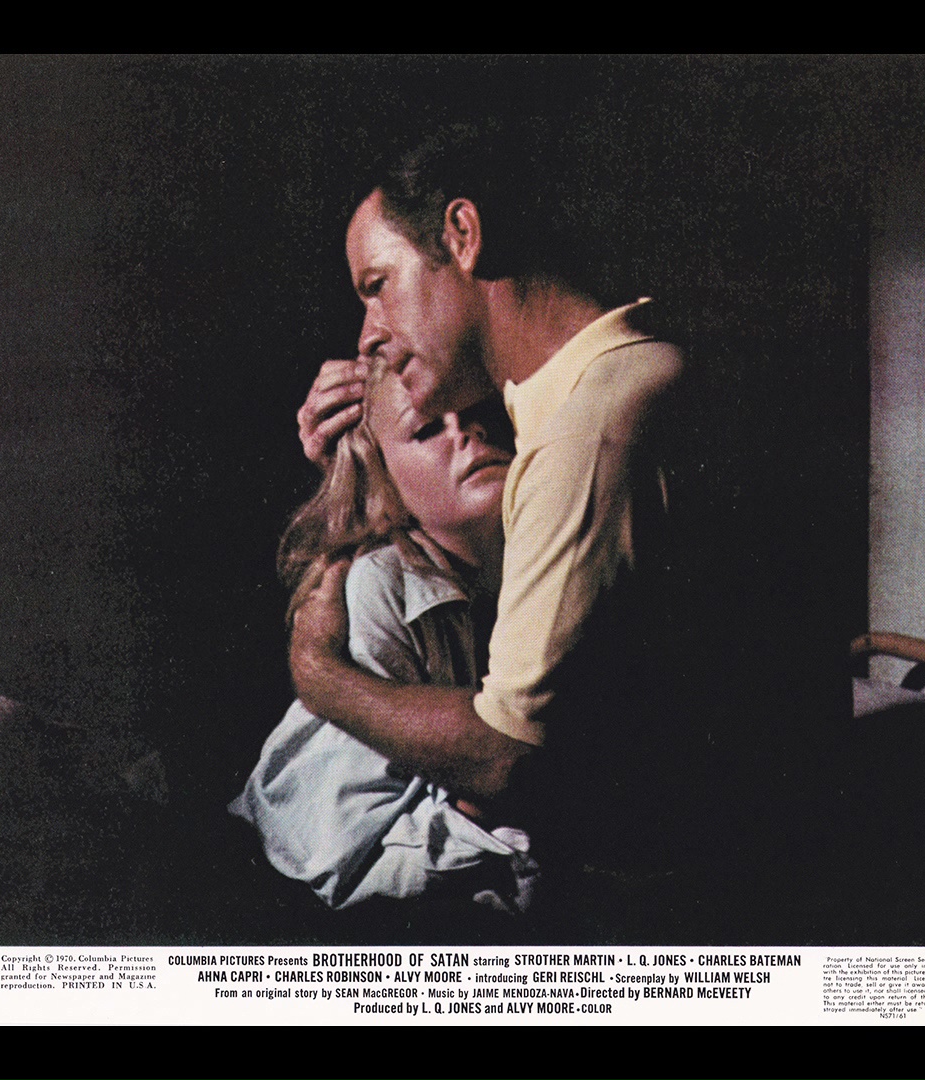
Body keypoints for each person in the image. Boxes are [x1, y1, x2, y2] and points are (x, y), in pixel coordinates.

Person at [289, 126, 695, 895]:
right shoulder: (625, 369)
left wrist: (319, 675)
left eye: (377, 286)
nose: (367, 334)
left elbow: (506, 756)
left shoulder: (584, 435)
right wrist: (360, 461)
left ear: (464, 236)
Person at [231, 358, 539, 912]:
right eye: (427, 429)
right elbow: (340, 839)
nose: (468, 432)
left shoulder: (542, 558)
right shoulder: (382, 585)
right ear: (386, 479)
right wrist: (478, 812)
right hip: (310, 863)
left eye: (480, 411)